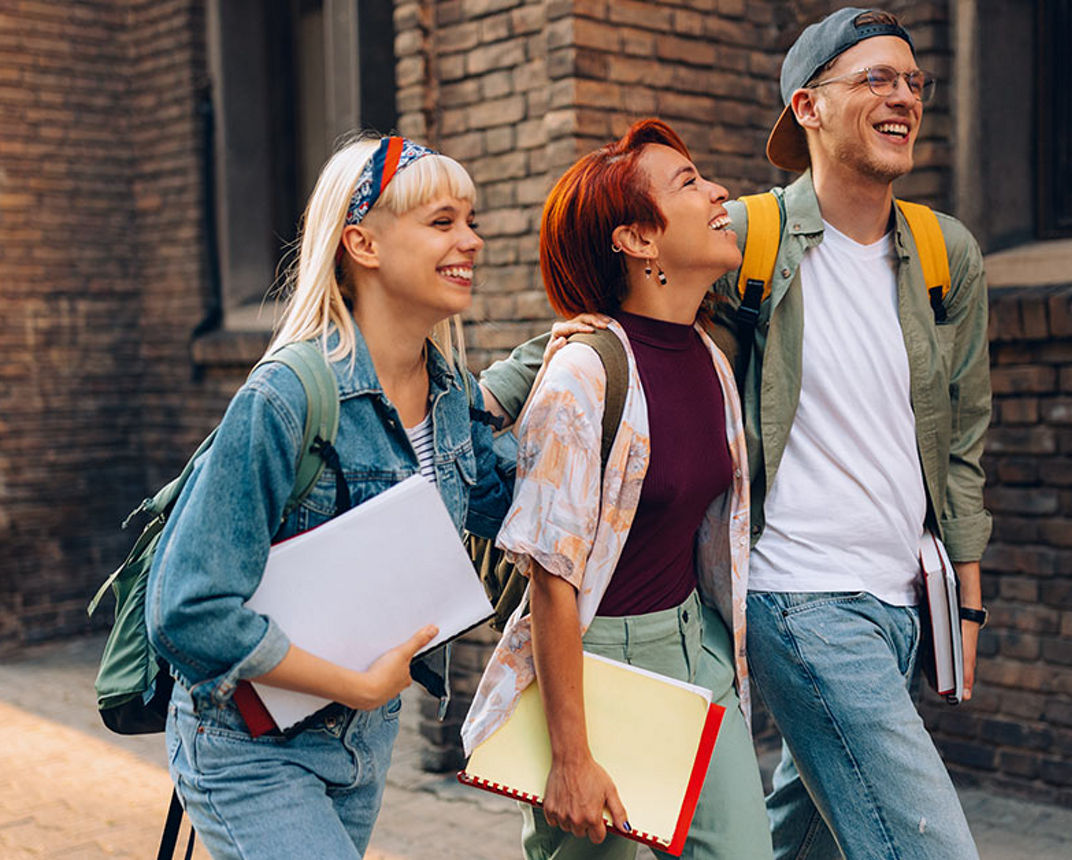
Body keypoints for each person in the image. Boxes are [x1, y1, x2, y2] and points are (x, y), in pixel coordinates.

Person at [477, 8, 993, 859]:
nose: (903, 96)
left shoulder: (945, 255)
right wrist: (502, 386)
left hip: (888, 597)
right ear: (808, 107)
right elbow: (622, 319)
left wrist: (963, 595)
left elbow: (962, 437)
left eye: (913, 81)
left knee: (794, 832)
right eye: (875, 78)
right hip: (798, 593)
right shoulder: (751, 235)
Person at [145, 134, 519, 859]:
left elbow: (524, 507)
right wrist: (355, 683)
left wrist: (581, 353)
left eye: (470, 221)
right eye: (442, 222)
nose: (471, 240)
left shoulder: (451, 396)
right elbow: (187, 611)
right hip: (248, 748)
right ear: (362, 244)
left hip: (363, 742)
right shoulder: (286, 397)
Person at [461, 119, 774, 860]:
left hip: (696, 653)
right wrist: (570, 757)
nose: (720, 192)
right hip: (591, 668)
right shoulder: (582, 373)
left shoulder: (710, 358)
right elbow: (552, 579)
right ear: (637, 240)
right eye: (689, 183)